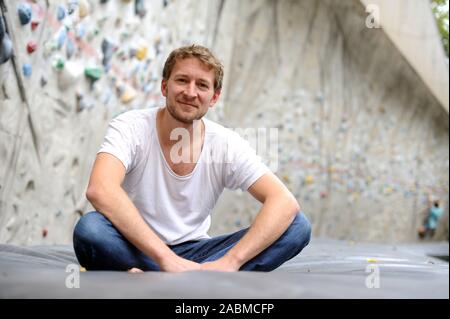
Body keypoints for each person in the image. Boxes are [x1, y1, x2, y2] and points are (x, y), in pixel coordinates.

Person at [73, 44, 311, 272]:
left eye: (202, 85)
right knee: (91, 230)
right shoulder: (129, 126)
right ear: (164, 86)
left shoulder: (225, 143)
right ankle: (180, 271)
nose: (190, 92)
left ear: (214, 97)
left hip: (198, 252)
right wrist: (165, 258)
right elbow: (100, 189)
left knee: (297, 227)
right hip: (135, 243)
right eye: (182, 80)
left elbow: (283, 201)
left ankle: (180, 270)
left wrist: (230, 261)